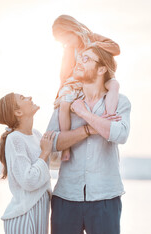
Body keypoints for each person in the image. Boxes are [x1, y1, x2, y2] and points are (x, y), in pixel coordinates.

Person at [47, 45, 131, 234]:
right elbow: (51, 141)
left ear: (101, 69)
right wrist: (89, 129)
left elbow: (120, 134)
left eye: (86, 59)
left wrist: (84, 113)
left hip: (105, 199)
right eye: (80, 58)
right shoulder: (65, 102)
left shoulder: (120, 102)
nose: (79, 62)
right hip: (66, 197)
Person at [52, 15, 121, 161]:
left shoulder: (92, 38)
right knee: (64, 104)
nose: (66, 44)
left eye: (66, 40)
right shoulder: (70, 49)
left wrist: (94, 47)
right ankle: (66, 147)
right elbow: (64, 73)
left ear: (73, 30)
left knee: (114, 85)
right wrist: (60, 92)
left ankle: (109, 115)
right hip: (76, 81)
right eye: (62, 43)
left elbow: (116, 48)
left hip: (98, 77)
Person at [0, 92, 56, 234]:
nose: (30, 98)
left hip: (39, 213)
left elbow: (52, 161)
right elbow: (28, 180)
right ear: (18, 112)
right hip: (24, 216)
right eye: (23, 98)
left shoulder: (36, 134)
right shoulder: (15, 139)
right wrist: (45, 152)